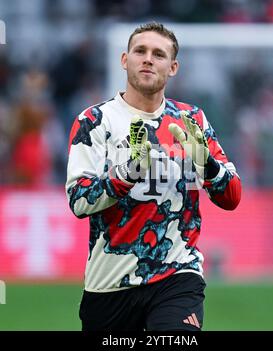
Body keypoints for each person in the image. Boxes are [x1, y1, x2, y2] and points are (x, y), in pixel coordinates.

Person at [66, 22, 242, 331]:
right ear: (125, 60)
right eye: (140, 51)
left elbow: (232, 197)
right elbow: (79, 200)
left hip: (178, 274)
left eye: (159, 54)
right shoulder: (94, 121)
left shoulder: (192, 120)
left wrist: (208, 166)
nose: (148, 59)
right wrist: (128, 173)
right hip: (109, 285)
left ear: (173, 67)